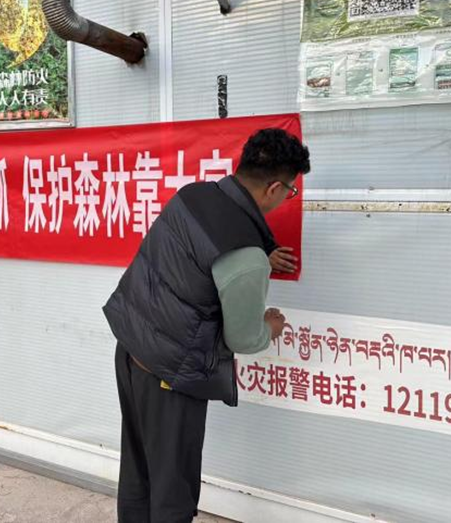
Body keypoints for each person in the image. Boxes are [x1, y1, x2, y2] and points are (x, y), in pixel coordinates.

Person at [103, 127, 311, 523]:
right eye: (290, 191)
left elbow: (199, 256)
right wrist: (270, 326)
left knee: (139, 470)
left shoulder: (192, 196)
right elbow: (244, 337)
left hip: (130, 348)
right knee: (173, 490)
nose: (287, 197)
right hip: (170, 373)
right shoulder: (246, 256)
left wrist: (257, 253)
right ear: (274, 188)